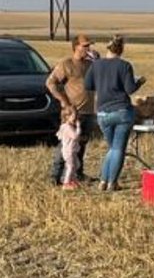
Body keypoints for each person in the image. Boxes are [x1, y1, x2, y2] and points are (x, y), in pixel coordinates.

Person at [83, 34, 146, 191]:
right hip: (122, 111)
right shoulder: (124, 66)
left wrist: (102, 84)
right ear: (121, 49)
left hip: (103, 113)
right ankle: (112, 183)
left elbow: (88, 85)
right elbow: (130, 89)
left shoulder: (96, 65)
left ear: (108, 48)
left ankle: (103, 181)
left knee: (112, 148)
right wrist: (139, 82)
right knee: (118, 149)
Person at [45, 33, 97, 186]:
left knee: (81, 144)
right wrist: (64, 102)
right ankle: (55, 176)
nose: (88, 48)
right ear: (76, 47)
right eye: (85, 45)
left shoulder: (90, 64)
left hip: (88, 111)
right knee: (66, 146)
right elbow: (50, 83)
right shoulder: (66, 64)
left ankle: (77, 174)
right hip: (72, 113)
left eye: (89, 45)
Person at [57, 116, 82, 189]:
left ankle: (72, 180)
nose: (75, 118)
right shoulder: (68, 127)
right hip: (69, 151)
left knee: (76, 165)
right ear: (67, 116)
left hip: (70, 150)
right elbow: (75, 136)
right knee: (70, 166)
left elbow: (59, 136)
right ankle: (66, 183)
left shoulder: (64, 126)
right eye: (73, 116)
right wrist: (78, 127)